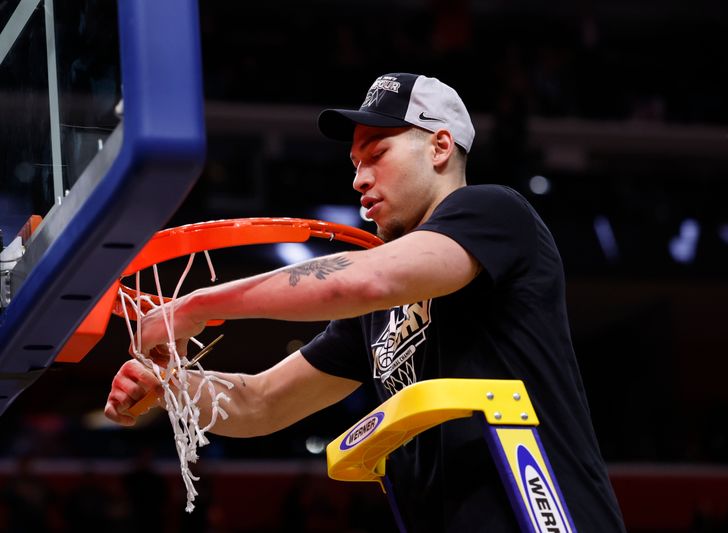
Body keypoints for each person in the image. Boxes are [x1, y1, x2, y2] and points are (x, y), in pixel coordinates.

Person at [104, 72, 626, 532]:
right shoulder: (373, 315)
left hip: (548, 516)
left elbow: (363, 280)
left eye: (376, 155)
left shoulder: (494, 214)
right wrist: (170, 386)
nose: (358, 179)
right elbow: (260, 403)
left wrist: (195, 305)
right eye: (355, 163)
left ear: (440, 147)